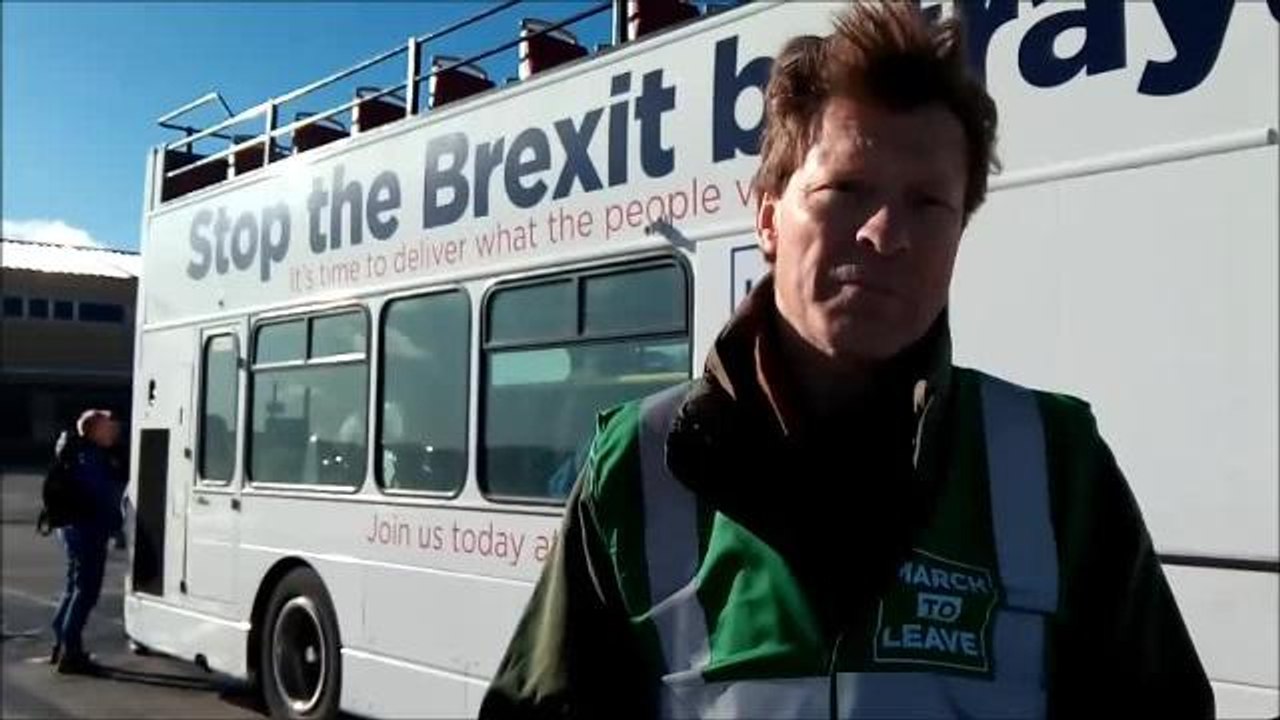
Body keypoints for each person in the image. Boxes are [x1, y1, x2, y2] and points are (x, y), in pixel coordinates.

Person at [480, 3, 1212, 719]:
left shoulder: (1057, 462)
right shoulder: (638, 464)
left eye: (929, 203)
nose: (886, 234)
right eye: (846, 191)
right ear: (767, 216)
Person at [49, 408, 126, 675]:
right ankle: (71, 653)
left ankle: (61, 642)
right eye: (109, 427)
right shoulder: (90, 457)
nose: (114, 431)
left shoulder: (75, 452)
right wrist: (117, 527)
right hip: (87, 530)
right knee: (86, 591)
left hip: (72, 528)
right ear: (95, 430)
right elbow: (100, 498)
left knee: (73, 586)